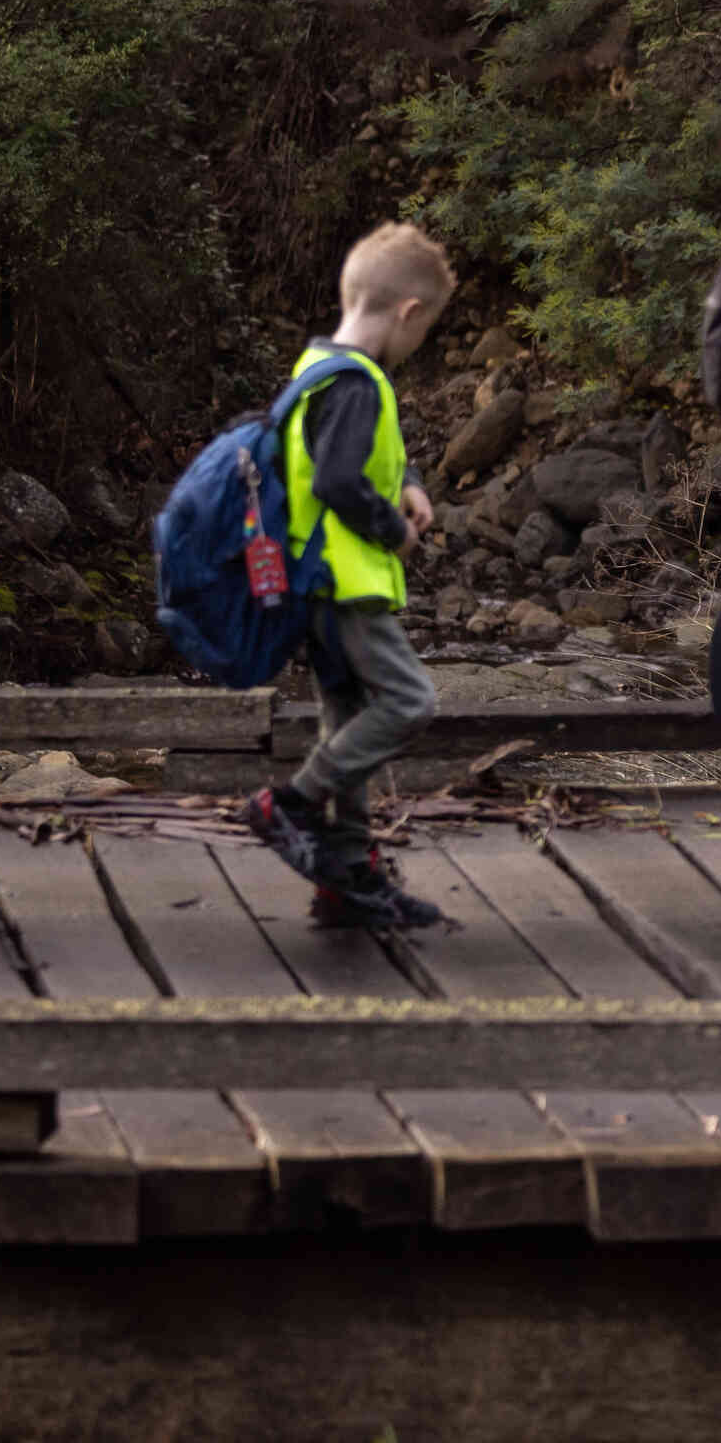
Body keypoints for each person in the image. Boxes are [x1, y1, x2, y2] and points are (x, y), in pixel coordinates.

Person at [241, 223, 452, 931]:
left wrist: (410, 479)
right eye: (424, 335)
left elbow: (343, 457)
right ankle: (290, 804)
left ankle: (345, 878)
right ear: (409, 313)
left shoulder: (317, 365)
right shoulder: (362, 382)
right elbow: (336, 477)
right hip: (349, 583)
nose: (415, 351)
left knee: (348, 721)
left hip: (315, 583)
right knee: (409, 702)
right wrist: (395, 530)